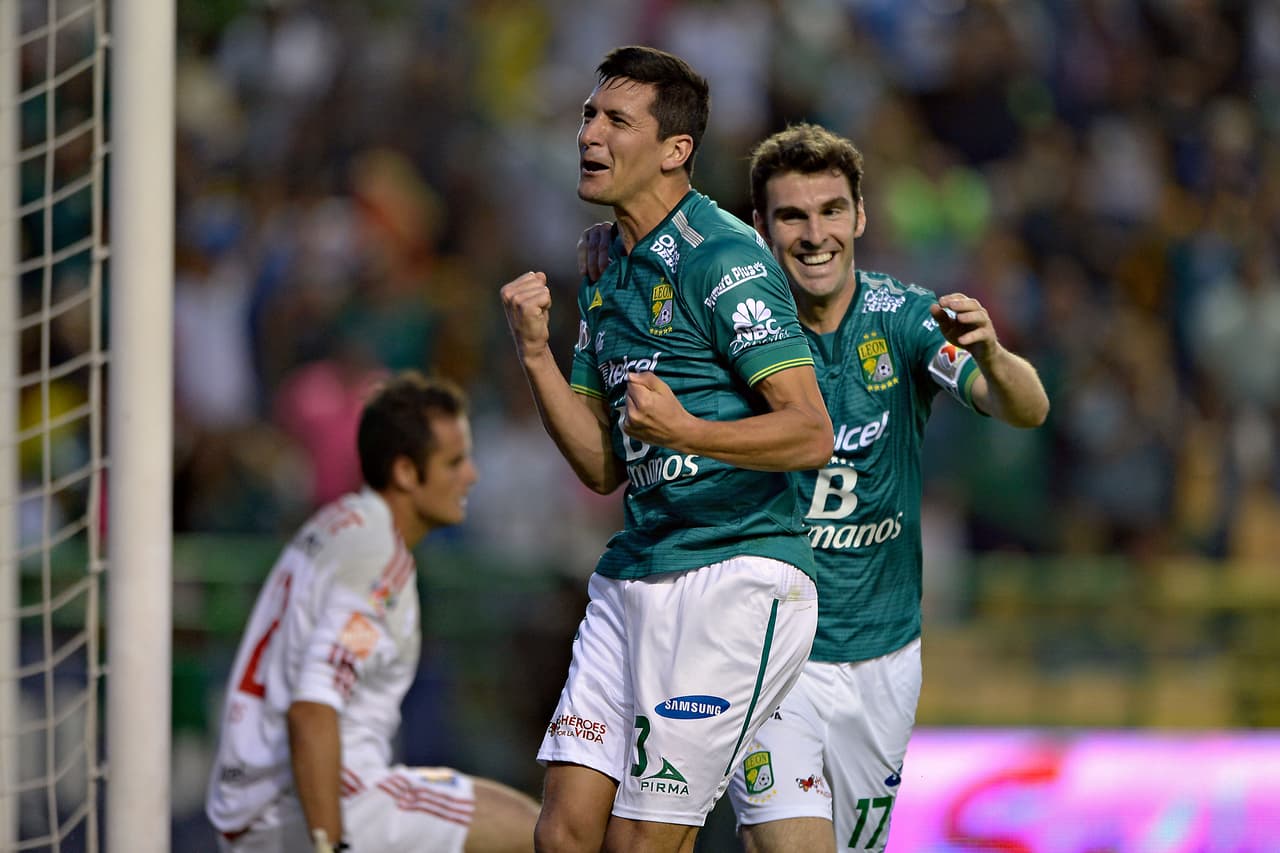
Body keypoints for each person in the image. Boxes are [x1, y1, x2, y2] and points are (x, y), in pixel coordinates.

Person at [581, 122, 1050, 852]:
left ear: (860, 216)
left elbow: (1024, 407)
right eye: (792, 216)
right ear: (759, 226)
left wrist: (991, 350)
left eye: (832, 210)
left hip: (884, 650)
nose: (815, 234)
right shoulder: (728, 324)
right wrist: (610, 253)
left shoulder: (902, 318)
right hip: (773, 643)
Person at [500, 46, 833, 853]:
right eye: (588, 115)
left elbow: (809, 430)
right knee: (564, 831)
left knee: (643, 842)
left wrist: (687, 430)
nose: (590, 133)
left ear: (675, 149)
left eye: (617, 120)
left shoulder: (724, 256)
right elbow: (603, 464)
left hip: (734, 572)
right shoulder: (604, 265)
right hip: (635, 569)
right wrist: (538, 353)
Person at [205, 372, 540, 853]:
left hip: (255, 799)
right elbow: (312, 709)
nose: (472, 475)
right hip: (317, 801)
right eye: (455, 462)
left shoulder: (336, 522)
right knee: (544, 834)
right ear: (406, 472)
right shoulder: (379, 566)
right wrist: (331, 845)